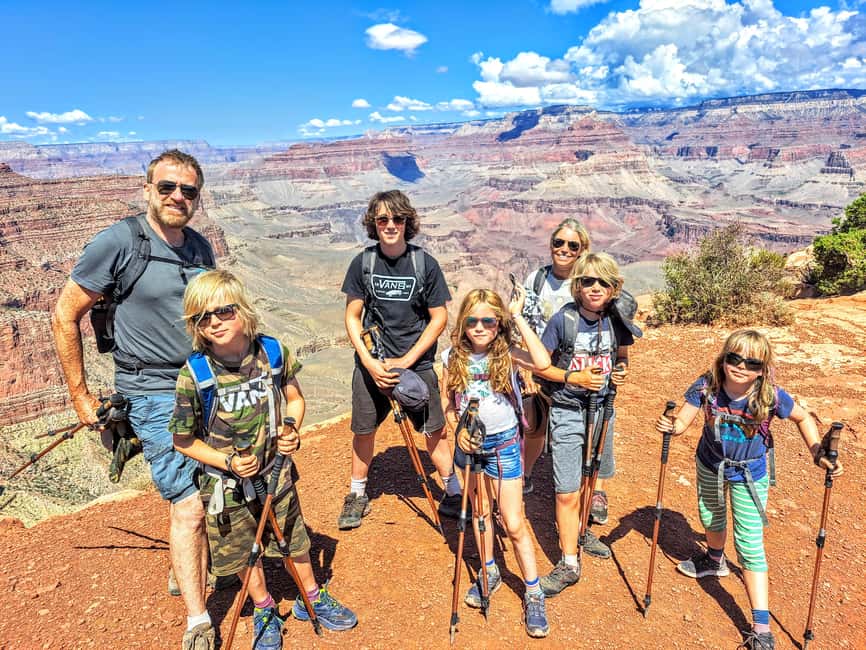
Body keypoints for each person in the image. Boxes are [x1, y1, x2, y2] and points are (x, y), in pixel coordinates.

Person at [51, 149, 218, 649]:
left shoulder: (200, 249)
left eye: (188, 191)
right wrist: (81, 397)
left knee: (209, 486)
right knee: (187, 502)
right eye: (166, 187)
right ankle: (197, 619)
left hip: (202, 382)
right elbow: (64, 315)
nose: (177, 198)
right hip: (150, 391)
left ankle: (182, 566)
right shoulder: (119, 242)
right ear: (146, 188)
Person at [171, 270, 357, 647]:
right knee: (244, 548)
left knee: (293, 535)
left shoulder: (272, 352)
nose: (215, 323)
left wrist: (290, 428)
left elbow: (296, 398)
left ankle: (311, 596)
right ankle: (264, 606)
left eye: (223, 311)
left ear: (242, 310)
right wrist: (227, 463)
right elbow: (182, 440)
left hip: (276, 473)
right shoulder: (195, 375)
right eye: (202, 318)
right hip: (227, 485)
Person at [656, 329, 843, 650]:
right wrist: (671, 427)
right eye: (734, 358)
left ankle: (761, 627)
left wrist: (816, 452)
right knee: (710, 517)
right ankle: (714, 560)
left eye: (752, 362)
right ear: (723, 358)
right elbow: (684, 422)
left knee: (749, 543)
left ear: (762, 368)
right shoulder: (707, 385)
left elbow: (802, 418)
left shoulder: (770, 395)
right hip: (710, 465)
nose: (741, 366)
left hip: (749, 474)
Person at [338, 190, 460, 529]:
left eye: (397, 219)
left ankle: (453, 490)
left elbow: (439, 318)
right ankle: (357, 493)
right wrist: (369, 362)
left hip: (416, 363)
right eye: (382, 220)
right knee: (363, 430)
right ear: (373, 224)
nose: (390, 225)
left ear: (408, 222)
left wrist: (406, 360)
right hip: (372, 362)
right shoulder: (364, 263)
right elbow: (352, 316)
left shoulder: (425, 264)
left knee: (434, 428)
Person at [442, 287, 553, 638]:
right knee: (480, 513)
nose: (479, 327)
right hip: (472, 447)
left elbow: (544, 363)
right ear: (462, 324)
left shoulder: (507, 355)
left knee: (514, 522)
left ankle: (533, 592)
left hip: (504, 446)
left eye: (488, 321)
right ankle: (489, 570)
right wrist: (455, 431)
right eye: (472, 321)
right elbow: (448, 402)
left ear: (498, 324)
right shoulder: (452, 358)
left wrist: (517, 316)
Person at [534, 252, 633, 595]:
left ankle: (580, 531)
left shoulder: (616, 320)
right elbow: (540, 366)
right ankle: (569, 563)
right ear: (577, 285)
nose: (595, 287)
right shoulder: (564, 320)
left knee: (591, 477)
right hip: (568, 410)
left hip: (603, 409)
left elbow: (620, 354)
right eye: (587, 281)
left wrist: (621, 370)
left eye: (602, 282)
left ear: (614, 287)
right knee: (566, 490)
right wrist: (572, 376)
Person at [520, 218, 591, 499]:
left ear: (582, 249)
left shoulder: (587, 282)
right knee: (534, 421)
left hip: (578, 367)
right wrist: (525, 364)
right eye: (558, 242)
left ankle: (589, 488)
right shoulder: (537, 279)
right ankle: (526, 474)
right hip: (541, 362)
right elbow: (524, 322)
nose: (564, 249)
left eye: (572, 245)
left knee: (584, 427)